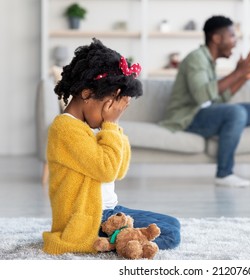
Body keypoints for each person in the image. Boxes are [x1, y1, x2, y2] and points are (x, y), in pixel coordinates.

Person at [42, 38, 180, 255]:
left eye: (115, 110)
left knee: (171, 224)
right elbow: (106, 168)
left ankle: (119, 240)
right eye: (109, 106)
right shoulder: (65, 129)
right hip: (88, 220)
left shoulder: (95, 128)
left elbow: (119, 170)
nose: (111, 114)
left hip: (109, 212)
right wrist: (111, 124)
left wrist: (113, 126)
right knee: (170, 234)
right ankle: (119, 243)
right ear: (87, 94)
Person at [159, 15, 250, 187]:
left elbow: (220, 98)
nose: (235, 42)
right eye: (232, 36)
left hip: (206, 111)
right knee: (236, 113)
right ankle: (224, 173)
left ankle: (225, 127)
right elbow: (202, 96)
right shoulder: (196, 59)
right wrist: (238, 72)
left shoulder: (209, 61)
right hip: (187, 117)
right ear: (216, 38)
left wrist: (244, 76)